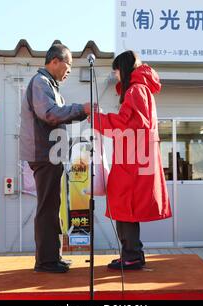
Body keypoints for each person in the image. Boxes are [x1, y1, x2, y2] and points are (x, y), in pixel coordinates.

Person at [93, 50, 172, 270]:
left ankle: (132, 255)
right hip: (135, 157)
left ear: (124, 68)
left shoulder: (136, 90)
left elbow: (127, 124)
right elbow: (131, 122)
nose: (115, 75)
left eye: (116, 70)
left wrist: (97, 119)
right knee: (125, 209)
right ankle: (132, 253)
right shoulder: (140, 90)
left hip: (133, 160)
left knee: (125, 208)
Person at [19, 44, 92, 273]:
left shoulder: (49, 84)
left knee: (52, 205)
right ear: (54, 62)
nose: (69, 70)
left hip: (50, 154)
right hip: (44, 154)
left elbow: (54, 114)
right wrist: (82, 109)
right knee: (47, 207)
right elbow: (49, 114)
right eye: (68, 64)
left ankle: (52, 257)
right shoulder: (41, 83)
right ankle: (46, 262)